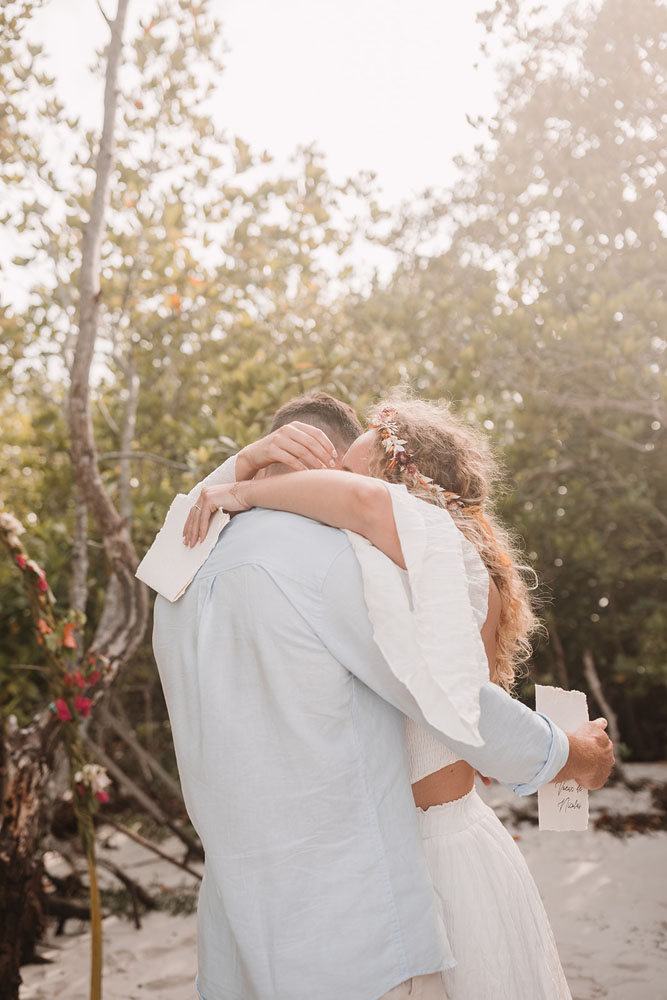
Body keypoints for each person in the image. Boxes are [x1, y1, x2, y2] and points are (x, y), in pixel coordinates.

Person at [153, 391, 614, 1000]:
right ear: (328, 461)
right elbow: (457, 703)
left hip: (236, 926)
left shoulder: (177, 580)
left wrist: (236, 477)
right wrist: (572, 757)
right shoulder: (335, 562)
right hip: (349, 930)